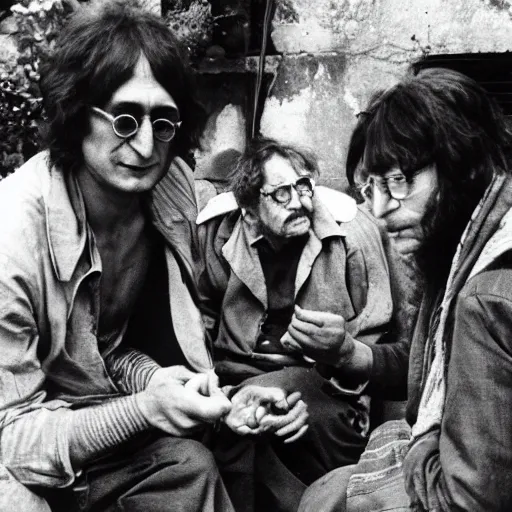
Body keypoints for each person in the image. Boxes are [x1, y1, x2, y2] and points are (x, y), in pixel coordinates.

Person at [0, 3, 292, 511]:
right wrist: (144, 408)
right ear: (76, 112)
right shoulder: (12, 237)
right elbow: (11, 441)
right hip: (16, 451)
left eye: (163, 121)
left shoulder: (168, 192)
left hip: (81, 417)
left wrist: (176, 389)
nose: (144, 144)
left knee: (195, 462)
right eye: (125, 117)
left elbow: (99, 350)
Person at [298, 67, 512, 511]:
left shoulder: (484, 296)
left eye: (400, 181)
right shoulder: (468, 243)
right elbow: (443, 365)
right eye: (370, 187)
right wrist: (347, 353)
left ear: (465, 164)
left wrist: (413, 446)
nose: (378, 210)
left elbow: (467, 501)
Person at [196, 137, 393, 508]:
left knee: (278, 405)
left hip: (327, 382)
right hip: (235, 380)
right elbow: (200, 322)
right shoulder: (217, 233)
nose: (301, 202)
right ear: (251, 211)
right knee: (239, 422)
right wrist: (217, 390)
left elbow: (377, 333)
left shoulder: (351, 234)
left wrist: (340, 355)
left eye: (303, 187)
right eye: (281, 194)